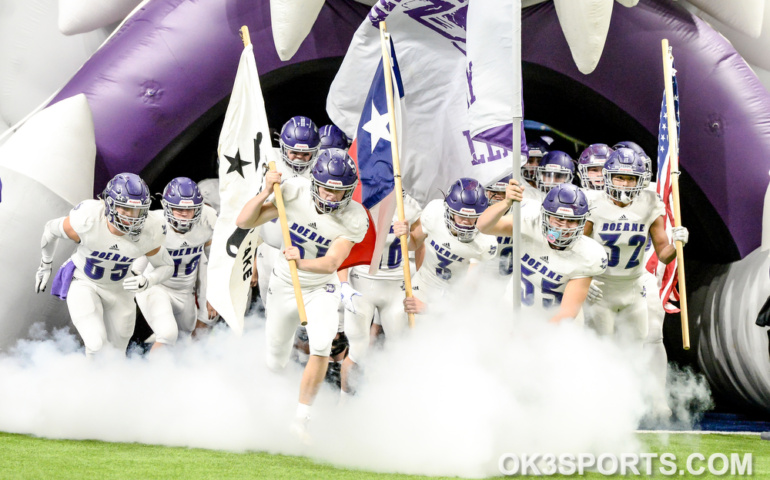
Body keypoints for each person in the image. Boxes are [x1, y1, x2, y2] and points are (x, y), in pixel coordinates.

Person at [236, 148, 368, 443]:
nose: (332, 197)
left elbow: (333, 263)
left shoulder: (355, 218)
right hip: (283, 283)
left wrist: (302, 262)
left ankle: (301, 419)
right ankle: (270, 405)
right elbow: (244, 222)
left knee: (321, 344)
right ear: (315, 182)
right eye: (327, 189)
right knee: (275, 361)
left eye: (340, 191)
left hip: (322, 285)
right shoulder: (293, 192)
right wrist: (265, 191)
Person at [34, 173, 173, 358]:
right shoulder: (88, 220)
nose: (131, 217)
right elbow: (51, 229)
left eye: (137, 210)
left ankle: (105, 386)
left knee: (116, 355)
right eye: (125, 209)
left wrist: (149, 280)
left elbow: (167, 266)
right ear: (109, 204)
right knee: (96, 343)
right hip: (84, 281)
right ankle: (90, 386)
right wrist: (45, 264)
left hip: (120, 289)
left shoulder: (150, 230)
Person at [582, 148, 688, 345]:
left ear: (640, 180)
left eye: (631, 178)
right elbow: (574, 248)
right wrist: (581, 280)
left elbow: (664, 254)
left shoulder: (649, 202)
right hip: (601, 288)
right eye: (619, 177)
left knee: (636, 350)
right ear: (608, 177)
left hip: (633, 288)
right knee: (600, 351)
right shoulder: (592, 202)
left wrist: (677, 244)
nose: (625, 184)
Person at [478, 182, 606, 323]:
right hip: (512, 309)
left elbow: (565, 315)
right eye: (559, 219)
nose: (564, 226)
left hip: (554, 324)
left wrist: (534, 338)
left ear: (582, 221)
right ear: (545, 215)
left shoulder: (587, 255)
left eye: (572, 220)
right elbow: (483, 226)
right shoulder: (530, 221)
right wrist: (506, 203)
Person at [338, 192, 422, 396]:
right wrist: (343, 284)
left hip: (395, 284)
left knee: (398, 348)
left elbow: (418, 244)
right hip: (362, 281)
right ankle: (343, 401)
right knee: (357, 350)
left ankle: (389, 399)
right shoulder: (358, 203)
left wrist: (408, 235)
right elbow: (341, 247)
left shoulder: (409, 205)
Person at [133, 177, 218, 352]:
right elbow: (135, 269)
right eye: (179, 209)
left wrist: (213, 294)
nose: (185, 214)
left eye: (190, 209)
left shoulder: (207, 221)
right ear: (167, 206)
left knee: (181, 340)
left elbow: (213, 260)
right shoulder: (155, 225)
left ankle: (171, 376)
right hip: (156, 286)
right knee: (167, 334)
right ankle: (147, 379)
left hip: (185, 290)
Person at [403, 178, 499, 315]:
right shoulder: (435, 212)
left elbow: (466, 294)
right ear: (448, 210)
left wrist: (428, 309)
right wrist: (405, 235)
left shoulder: (485, 241)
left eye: (472, 217)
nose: (466, 222)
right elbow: (413, 244)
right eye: (460, 215)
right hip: (422, 286)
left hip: (453, 299)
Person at [255, 116, 322, 312]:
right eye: (294, 152)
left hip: (305, 250)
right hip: (269, 247)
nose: (299, 158)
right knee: (272, 309)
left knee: (302, 309)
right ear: (283, 147)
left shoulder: (324, 166)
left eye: (306, 154)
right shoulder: (266, 159)